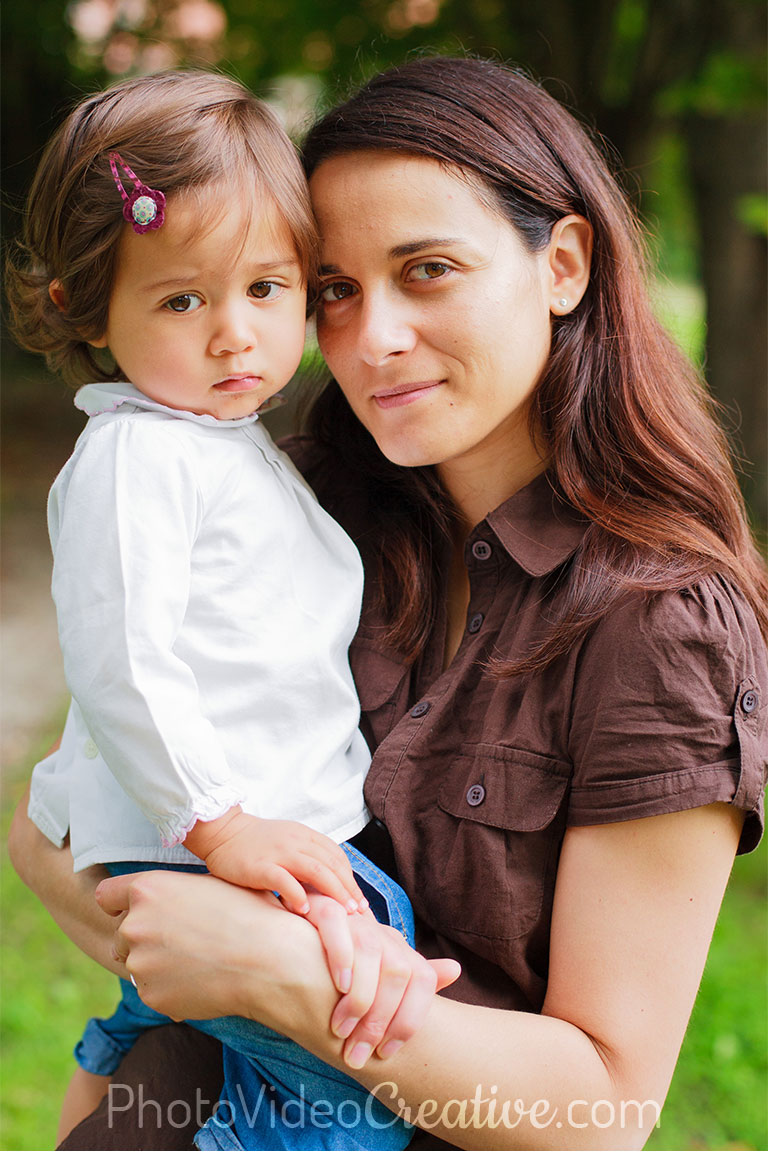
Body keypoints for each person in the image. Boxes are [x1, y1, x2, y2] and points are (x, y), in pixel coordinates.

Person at [10, 55, 767, 1152]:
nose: (373, 341)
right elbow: (53, 837)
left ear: (561, 264)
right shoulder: (316, 504)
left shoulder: (661, 626)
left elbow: (601, 1113)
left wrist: (278, 972)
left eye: (428, 271)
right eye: (334, 291)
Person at [5, 68, 459, 1152]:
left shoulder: (216, 443)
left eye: (266, 289)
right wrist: (216, 822)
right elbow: (123, 660)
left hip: (237, 835)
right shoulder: (138, 456)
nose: (234, 336)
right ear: (86, 307)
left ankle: (118, 1083)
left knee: (310, 1016)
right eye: (181, 299)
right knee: (355, 1096)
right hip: (217, 840)